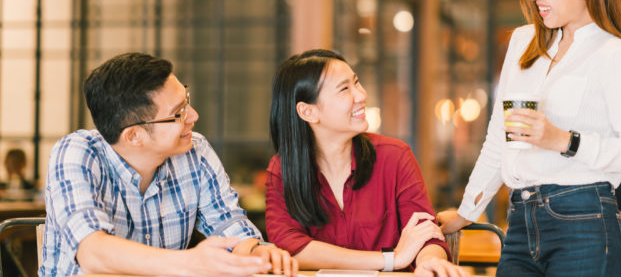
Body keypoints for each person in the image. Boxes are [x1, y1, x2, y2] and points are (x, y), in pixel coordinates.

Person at [437, 0, 621, 276]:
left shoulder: (615, 58)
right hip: (520, 224)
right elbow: (499, 138)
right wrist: (467, 211)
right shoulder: (524, 42)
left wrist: (565, 141)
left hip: (585, 224)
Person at [40, 53, 298, 277]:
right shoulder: (77, 153)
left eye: (187, 100)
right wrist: (189, 262)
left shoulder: (194, 150)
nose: (194, 116)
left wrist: (257, 251)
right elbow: (93, 254)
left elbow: (229, 225)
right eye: (178, 113)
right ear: (134, 136)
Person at [265, 49, 468, 277]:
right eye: (344, 89)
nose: (361, 95)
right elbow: (291, 247)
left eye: (357, 83)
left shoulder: (395, 156)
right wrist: (392, 259)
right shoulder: (283, 170)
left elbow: (426, 234)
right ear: (308, 112)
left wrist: (429, 261)